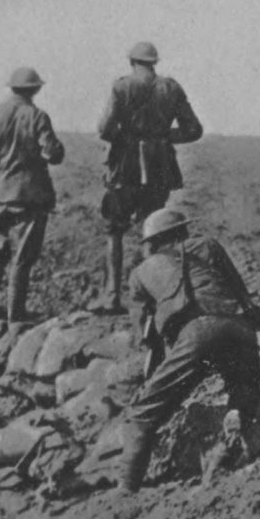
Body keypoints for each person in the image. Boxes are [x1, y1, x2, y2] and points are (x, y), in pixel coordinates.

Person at [119, 208, 260, 493]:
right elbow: (243, 296)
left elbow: (146, 340)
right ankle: (234, 427)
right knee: (243, 387)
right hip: (240, 328)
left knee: (140, 415)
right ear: (181, 232)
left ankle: (125, 492)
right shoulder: (208, 246)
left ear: (152, 242)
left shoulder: (140, 274)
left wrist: (155, 380)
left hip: (197, 336)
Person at [94, 41, 203, 315]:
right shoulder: (171, 87)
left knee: (114, 230)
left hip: (125, 167)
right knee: (152, 230)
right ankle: (155, 300)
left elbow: (105, 129)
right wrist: (162, 137)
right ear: (154, 63)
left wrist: (127, 137)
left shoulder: (121, 86)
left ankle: (112, 296)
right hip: (159, 166)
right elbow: (193, 129)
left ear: (132, 62)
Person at [0, 67, 65, 322]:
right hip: (30, 197)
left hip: (1, 195)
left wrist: (5, 153)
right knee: (23, 259)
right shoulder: (37, 116)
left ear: (12, 88)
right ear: (35, 89)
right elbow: (53, 154)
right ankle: (16, 314)